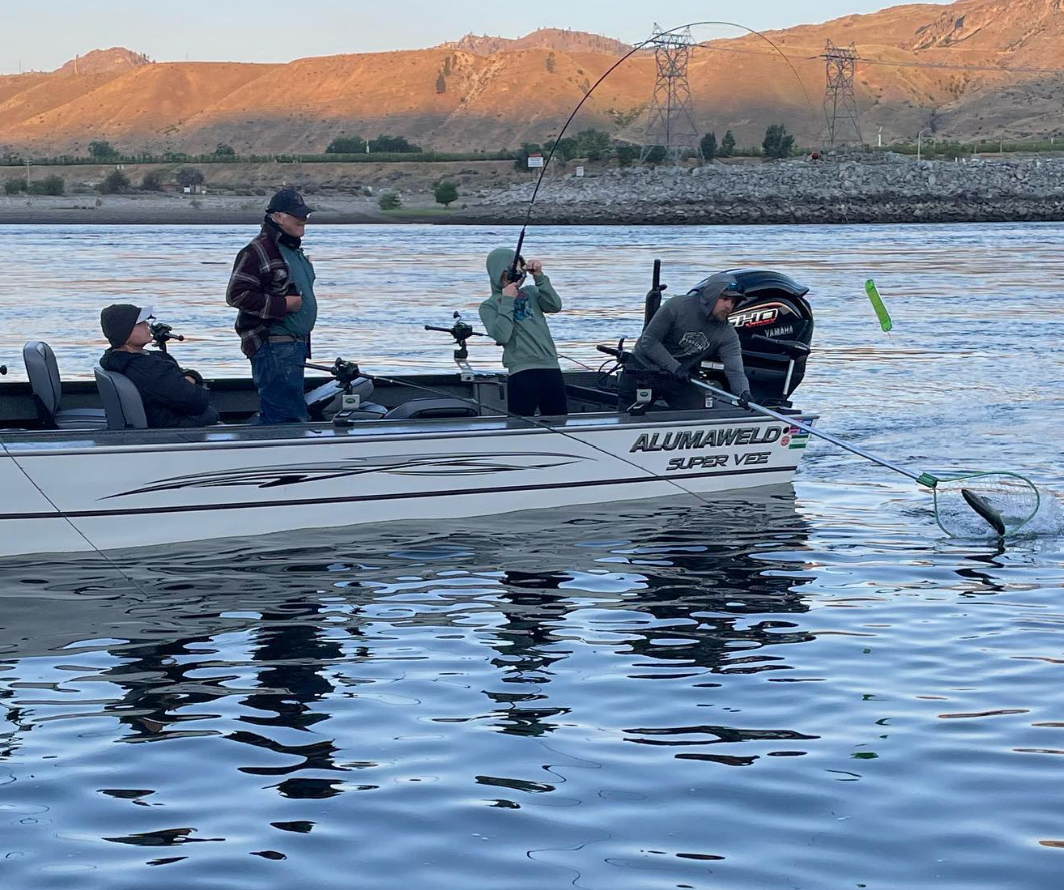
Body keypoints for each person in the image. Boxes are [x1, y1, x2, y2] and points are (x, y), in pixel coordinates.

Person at [226, 187, 317, 424]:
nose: (303, 219)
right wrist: (283, 304)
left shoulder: (293, 249)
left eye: (304, 214)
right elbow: (236, 295)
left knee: (293, 414)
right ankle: (280, 456)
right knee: (286, 418)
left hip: (293, 347)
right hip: (273, 346)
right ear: (277, 217)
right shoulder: (256, 251)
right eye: (296, 215)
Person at [619, 271, 752, 411]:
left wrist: (743, 391)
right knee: (631, 414)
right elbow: (649, 341)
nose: (728, 306)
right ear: (711, 295)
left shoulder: (727, 334)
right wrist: (675, 367)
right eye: (724, 298)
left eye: (733, 302)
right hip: (643, 370)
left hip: (679, 378)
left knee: (699, 411)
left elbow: (734, 370)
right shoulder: (676, 307)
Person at [478, 247, 567, 416]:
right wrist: (507, 300)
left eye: (520, 268)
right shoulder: (489, 306)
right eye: (512, 269)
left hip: (551, 367)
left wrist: (539, 277)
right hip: (522, 372)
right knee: (519, 424)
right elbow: (501, 335)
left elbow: (555, 306)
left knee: (559, 420)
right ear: (499, 271)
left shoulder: (532, 293)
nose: (517, 273)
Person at [99, 304, 219, 428]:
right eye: (140, 323)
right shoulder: (148, 369)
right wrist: (192, 379)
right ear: (125, 333)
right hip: (169, 429)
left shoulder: (115, 359)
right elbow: (197, 402)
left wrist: (188, 378)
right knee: (211, 413)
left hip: (156, 418)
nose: (147, 325)